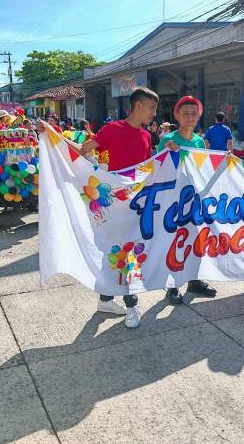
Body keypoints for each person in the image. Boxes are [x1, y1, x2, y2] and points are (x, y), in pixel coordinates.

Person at [80, 87, 159, 328]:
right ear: (138, 106)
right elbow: (84, 150)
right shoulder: (112, 129)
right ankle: (131, 304)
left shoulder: (146, 136)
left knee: (123, 251)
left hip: (135, 203)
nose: (154, 113)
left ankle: (105, 299)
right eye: (152, 108)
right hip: (113, 203)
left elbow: (147, 168)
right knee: (123, 251)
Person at [157, 95, 218, 304]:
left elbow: (203, 169)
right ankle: (171, 286)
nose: (190, 117)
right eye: (186, 113)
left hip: (195, 200)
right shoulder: (168, 141)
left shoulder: (199, 141)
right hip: (173, 202)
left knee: (196, 240)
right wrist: (170, 153)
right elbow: (159, 171)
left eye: (194, 113)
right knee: (174, 241)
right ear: (177, 115)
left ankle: (194, 280)